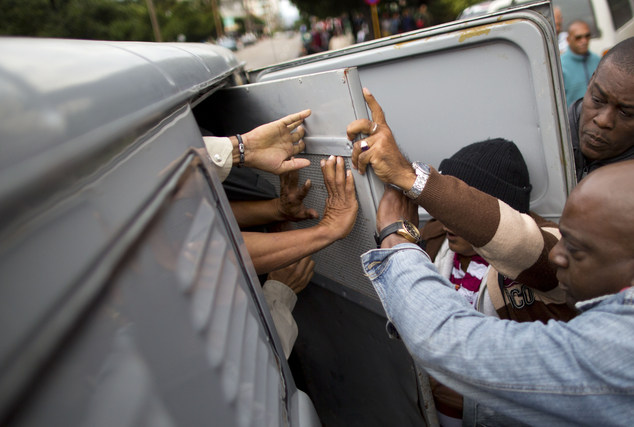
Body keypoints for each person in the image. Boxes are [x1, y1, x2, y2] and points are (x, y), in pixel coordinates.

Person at [361, 159, 634, 425]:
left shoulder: (620, 349)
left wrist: (396, 238)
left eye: (575, 248)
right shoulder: (436, 240)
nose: (557, 255)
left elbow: (450, 343)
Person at [418, 139, 577, 425]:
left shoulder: (539, 257)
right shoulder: (432, 238)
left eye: (462, 212)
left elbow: (530, 250)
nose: (447, 222)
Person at [567, 36, 634, 181]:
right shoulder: (544, 137)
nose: (603, 121)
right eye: (598, 100)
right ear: (591, 80)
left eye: (625, 113)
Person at [561, 20, 601, 106]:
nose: (584, 41)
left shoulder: (597, 60)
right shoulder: (560, 66)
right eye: (578, 37)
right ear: (568, 39)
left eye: (587, 36)